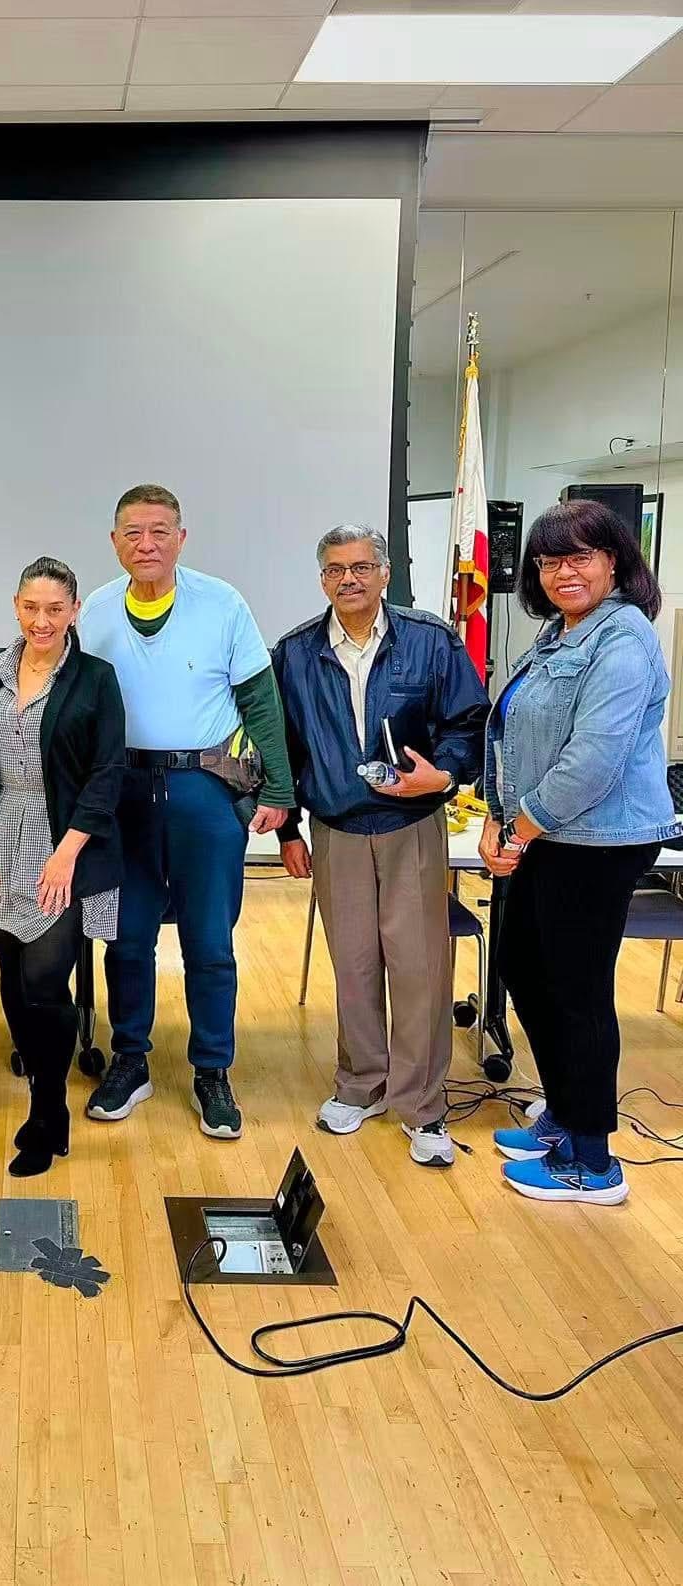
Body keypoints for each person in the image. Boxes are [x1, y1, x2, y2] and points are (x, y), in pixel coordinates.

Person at [78, 484, 295, 1138]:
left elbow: (261, 704)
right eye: (132, 533)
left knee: (209, 941)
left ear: (181, 538)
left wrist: (278, 793)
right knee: (125, 937)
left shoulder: (222, 603)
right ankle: (130, 1059)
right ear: (114, 541)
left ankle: (212, 1069)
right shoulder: (96, 610)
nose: (146, 544)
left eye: (159, 531)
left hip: (205, 789)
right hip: (123, 795)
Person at [481, 500, 680, 1206]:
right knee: (522, 969)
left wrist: (519, 828)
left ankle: (593, 1162)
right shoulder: (561, 632)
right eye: (549, 560)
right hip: (550, 833)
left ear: (614, 562)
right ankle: (564, 1111)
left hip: (596, 840)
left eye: (579, 557)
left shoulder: (623, 639)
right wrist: (500, 817)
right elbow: (515, 734)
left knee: (578, 993)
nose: (563, 572)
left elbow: (592, 759)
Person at [272, 524, 490, 1169]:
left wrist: (443, 776)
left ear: (385, 573)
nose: (349, 579)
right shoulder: (296, 652)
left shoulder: (429, 641)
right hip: (335, 830)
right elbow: (283, 746)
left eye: (362, 567)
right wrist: (288, 830)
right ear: (322, 579)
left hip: (410, 828)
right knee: (355, 966)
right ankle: (360, 1084)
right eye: (335, 569)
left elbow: (469, 722)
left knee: (419, 969)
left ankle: (423, 1105)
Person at [0, 559, 125, 1175]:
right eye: (31, 608)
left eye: (56, 609)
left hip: (64, 844)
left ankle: (48, 1110)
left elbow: (107, 773)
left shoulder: (95, 678)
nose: (42, 621)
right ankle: (41, 1091)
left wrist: (65, 856)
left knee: (45, 982)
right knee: (11, 973)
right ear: (15, 606)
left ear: (75, 611)